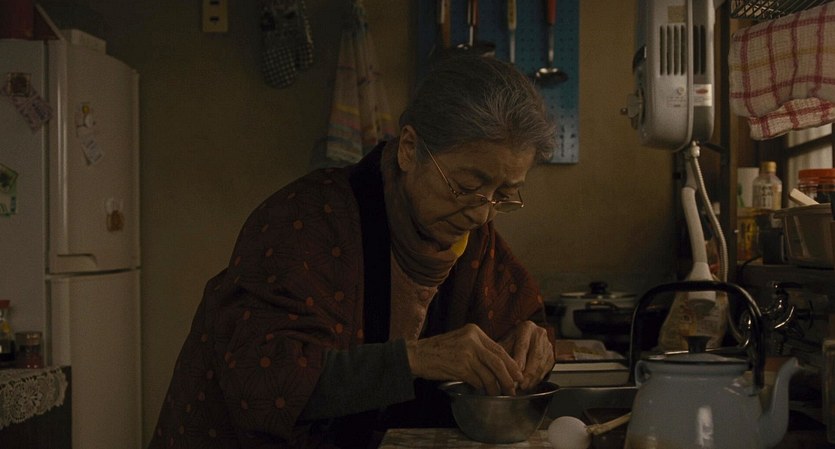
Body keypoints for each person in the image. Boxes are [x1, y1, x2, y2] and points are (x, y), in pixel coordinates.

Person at [148, 54, 558, 449]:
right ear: (409, 148)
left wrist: (529, 343)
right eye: (466, 186)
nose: (483, 213)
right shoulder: (306, 221)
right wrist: (415, 359)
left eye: (505, 194)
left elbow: (517, 315)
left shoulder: (474, 235)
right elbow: (263, 384)